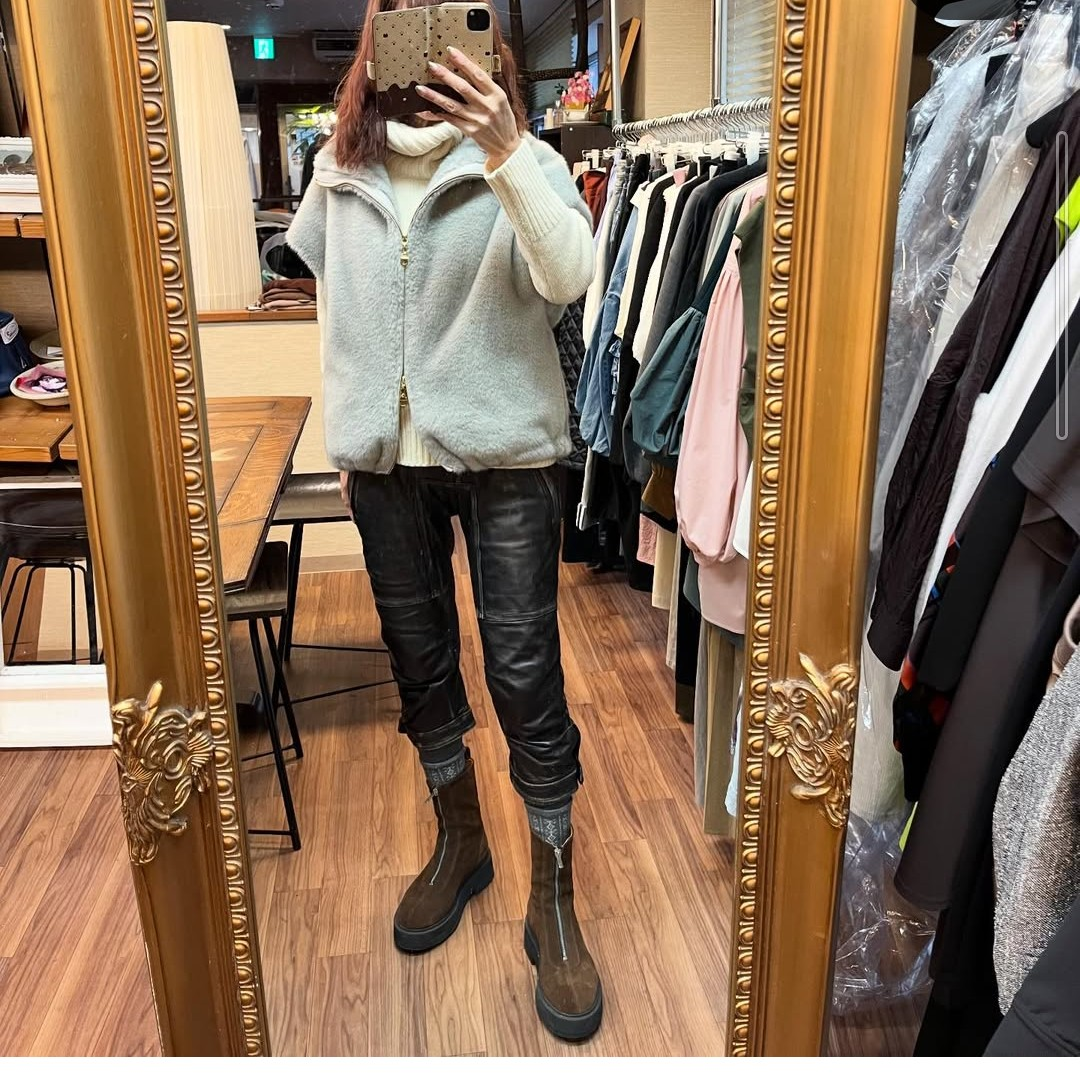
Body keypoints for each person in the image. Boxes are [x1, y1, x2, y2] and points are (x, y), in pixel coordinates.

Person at [287, 0, 601, 1043]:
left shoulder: (525, 161)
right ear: (377, 44)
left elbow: (569, 279)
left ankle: (553, 891)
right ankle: (460, 838)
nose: (429, 46)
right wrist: (349, 436)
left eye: (452, 20)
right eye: (404, 20)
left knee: (523, 671)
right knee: (419, 661)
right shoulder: (338, 172)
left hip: (507, 457)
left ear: (486, 46)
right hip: (388, 467)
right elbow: (335, 314)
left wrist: (507, 149)